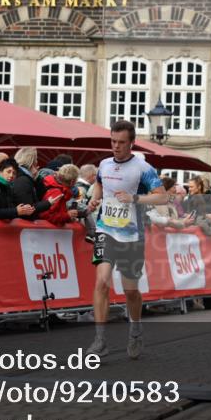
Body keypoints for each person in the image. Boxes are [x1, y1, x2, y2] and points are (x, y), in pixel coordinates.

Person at [86, 120, 166, 360]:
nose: (116, 146)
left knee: (130, 290)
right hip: (104, 230)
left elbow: (162, 198)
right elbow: (100, 184)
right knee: (101, 281)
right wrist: (94, 200)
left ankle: (135, 328)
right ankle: (100, 340)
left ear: (131, 143)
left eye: (121, 142)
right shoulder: (104, 164)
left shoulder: (143, 168)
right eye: (113, 141)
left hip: (131, 235)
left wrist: (135, 199)